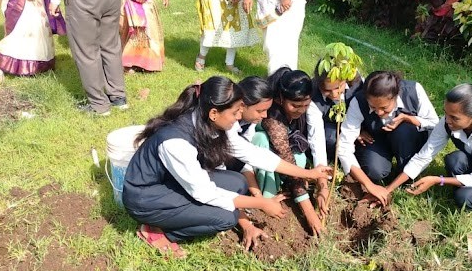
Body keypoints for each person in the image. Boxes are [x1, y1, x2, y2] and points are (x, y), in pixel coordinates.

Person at [123, 76, 330, 256]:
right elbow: (205, 193)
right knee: (226, 218)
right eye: (235, 113)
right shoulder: (177, 143)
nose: (239, 117)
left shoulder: (210, 120)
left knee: (238, 181)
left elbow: (254, 154)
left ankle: (173, 220)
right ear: (215, 113)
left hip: (171, 183)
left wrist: (308, 173)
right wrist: (261, 203)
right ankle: (158, 231)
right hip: (147, 197)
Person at [385, 84, 472, 210]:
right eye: (446, 114)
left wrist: (437, 180)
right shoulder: (447, 122)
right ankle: (464, 185)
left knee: (464, 197)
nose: (447, 120)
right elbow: (424, 156)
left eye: (454, 117)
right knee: (454, 160)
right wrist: (388, 189)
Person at [337, 71, 439, 206]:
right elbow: (344, 146)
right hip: (377, 139)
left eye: (384, 108)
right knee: (374, 170)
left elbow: (435, 123)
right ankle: (385, 171)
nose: (379, 113)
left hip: (407, 138)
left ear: (395, 96)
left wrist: (410, 119)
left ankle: (406, 173)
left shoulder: (414, 90)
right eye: (373, 107)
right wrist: (369, 185)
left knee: (404, 130)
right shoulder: (359, 101)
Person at [251, 67, 329, 237]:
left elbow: (317, 142)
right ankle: (266, 197)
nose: (301, 110)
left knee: (300, 159)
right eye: (295, 106)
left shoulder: (309, 107)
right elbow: (285, 157)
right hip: (258, 151)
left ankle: (285, 185)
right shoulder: (272, 118)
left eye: (305, 105)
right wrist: (309, 213)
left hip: (284, 149)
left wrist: (323, 184)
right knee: (262, 140)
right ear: (280, 98)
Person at [308, 58, 363, 162]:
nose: (334, 94)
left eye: (338, 87)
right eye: (327, 90)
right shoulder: (313, 95)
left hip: (358, 128)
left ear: (345, 80)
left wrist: (356, 131)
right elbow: (317, 138)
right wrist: (321, 167)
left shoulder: (358, 84)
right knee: (331, 138)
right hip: (331, 129)